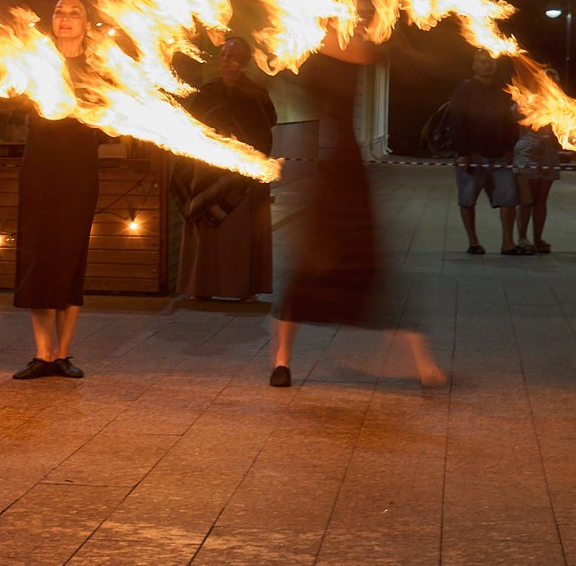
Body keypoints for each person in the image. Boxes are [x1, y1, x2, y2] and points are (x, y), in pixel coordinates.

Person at [271, 33, 444, 390]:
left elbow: (375, 56)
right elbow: (308, 77)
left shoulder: (345, 53)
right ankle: (281, 361)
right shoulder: (323, 55)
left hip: (348, 178)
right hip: (336, 178)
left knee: (368, 269)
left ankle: (425, 365)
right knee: (309, 274)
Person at [12, 0, 101, 380]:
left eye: (74, 13)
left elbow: (109, 121)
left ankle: (63, 354)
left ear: (86, 24)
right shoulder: (35, 60)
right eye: (59, 12)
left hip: (78, 168)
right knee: (38, 256)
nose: (65, 18)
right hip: (40, 166)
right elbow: (13, 101)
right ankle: (42, 353)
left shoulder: (99, 66)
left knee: (70, 256)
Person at [177, 36, 278, 301]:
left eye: (232, 56)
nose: (226, 61)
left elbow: (265, 130)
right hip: (207, 172)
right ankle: (201, 287)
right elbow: (193, 126)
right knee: (207, 230)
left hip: (242, 177)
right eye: (222, 55)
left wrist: (242, 152)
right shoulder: (207, 92)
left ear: (243, 63)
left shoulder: (256, 94)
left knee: (241, 234)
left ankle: (242, 288)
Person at [448, 52, 520, 254]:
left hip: (499, 157)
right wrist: (463, 152)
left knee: (509, 199)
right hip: (474, 155)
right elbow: (457, 120)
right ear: (474, 65)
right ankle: (473, 242)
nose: (487, 65)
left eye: (491, 63)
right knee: (468, 200)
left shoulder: (501, 90)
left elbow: (508, 121)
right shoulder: (465, 88)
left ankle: (508, 243)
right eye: (483, 62)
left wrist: (509, 148)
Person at [511, 68, 563, 253]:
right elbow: (514, 115)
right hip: (528, 150)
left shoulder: (560, 104)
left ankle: (538, 238)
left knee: (541, 199)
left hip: (548, 152)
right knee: (527, 198)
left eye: (555, 81)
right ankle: (522, 238)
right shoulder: (527, 100)